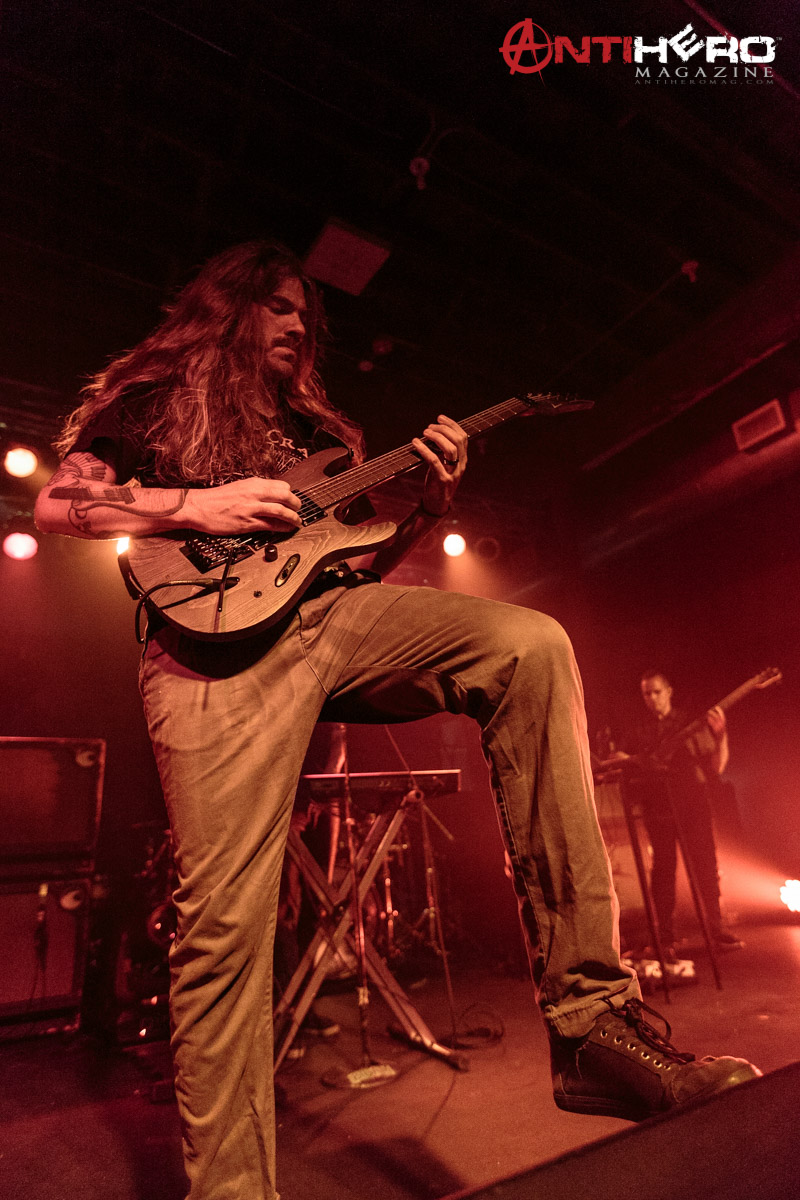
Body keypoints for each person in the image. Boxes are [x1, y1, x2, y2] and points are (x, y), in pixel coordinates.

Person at [35, 242, 759, 1200]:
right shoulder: (157, 399)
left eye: (306, 313)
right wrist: (200, 504)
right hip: (208, 652)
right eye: (278, 306)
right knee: (223, 925)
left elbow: (347, 564)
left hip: (330, 619)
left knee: (531, 645)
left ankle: (592, 1027)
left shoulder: (316, 431)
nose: (299, 323)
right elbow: (58, 504)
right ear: (228, 308)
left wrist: (426, 508)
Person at [621, 671, 743, 955]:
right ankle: (664, 936)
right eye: (647, 693)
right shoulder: (639, 731)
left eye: (656, 691)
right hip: (658, 807)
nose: (652, 698)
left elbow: (716, 766)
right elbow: (625, 763)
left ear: (669, 691)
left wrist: (721, 735)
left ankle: (716, 929)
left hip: (693, 804)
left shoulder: (690, 722)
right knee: (663, 871)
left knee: (706, 867)